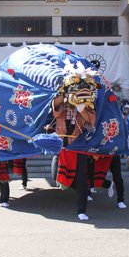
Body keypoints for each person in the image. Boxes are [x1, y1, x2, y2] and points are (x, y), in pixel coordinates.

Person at [53, 88, 96, 221]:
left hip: (78, 146)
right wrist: (67, 94)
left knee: (81, 180)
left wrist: (81, 107)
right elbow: (54, 106)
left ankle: (81, 209)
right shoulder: (63, 101)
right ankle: (75, 187)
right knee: (56, 175)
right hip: (62, 145)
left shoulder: (87, 102)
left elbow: (91, 121)